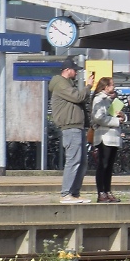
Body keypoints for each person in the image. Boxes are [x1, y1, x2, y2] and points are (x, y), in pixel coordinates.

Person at [49, 59, 93, 204]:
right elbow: (78, 97)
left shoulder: (68, 84)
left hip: (77, 127)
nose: (76, 72)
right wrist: (88, 87)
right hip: (70, 127)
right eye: (75, 70)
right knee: (73, 161)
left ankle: (74, 193)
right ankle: (66, 193)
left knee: (82, 162)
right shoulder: (61, 83)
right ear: (67, 70)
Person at [90, 76, 124, 203]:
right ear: (106, 86)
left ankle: (108, 190)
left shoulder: (110, 100)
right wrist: (116, 121)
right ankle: (101, 192)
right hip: (104, 137)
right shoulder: (99, 99)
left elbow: (113, 114)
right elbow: (98, 117)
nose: (113, 86)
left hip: (113, 136)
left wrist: (121, 116)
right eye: (112, 84)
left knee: (109, 166)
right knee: (103, 165)